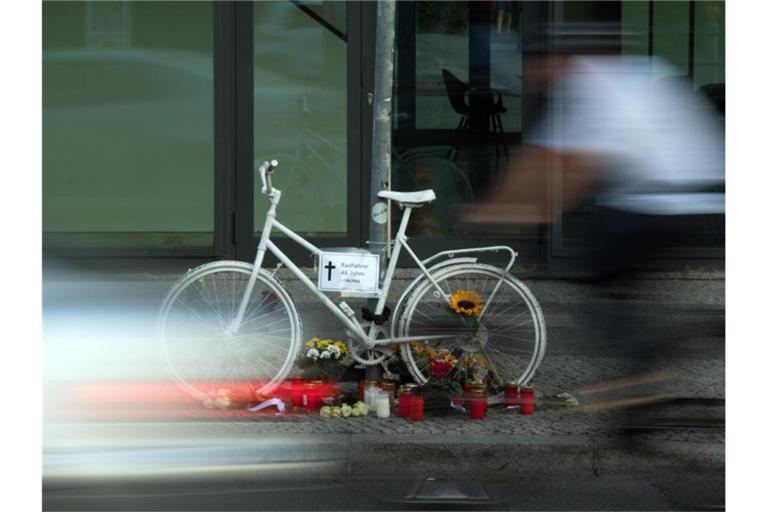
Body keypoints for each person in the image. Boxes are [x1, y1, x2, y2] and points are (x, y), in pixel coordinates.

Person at [467, 22, 724, 425]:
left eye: (534, 66)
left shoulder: (587, 85)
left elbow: (569, 166)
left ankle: (641, 375)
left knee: (595, 277)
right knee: (623, 282)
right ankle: (663, 355)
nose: (529, 77)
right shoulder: (637, 72)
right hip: (699, 197)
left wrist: (506, 210)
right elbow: (543, 159)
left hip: (657, 200)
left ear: (555, 60)